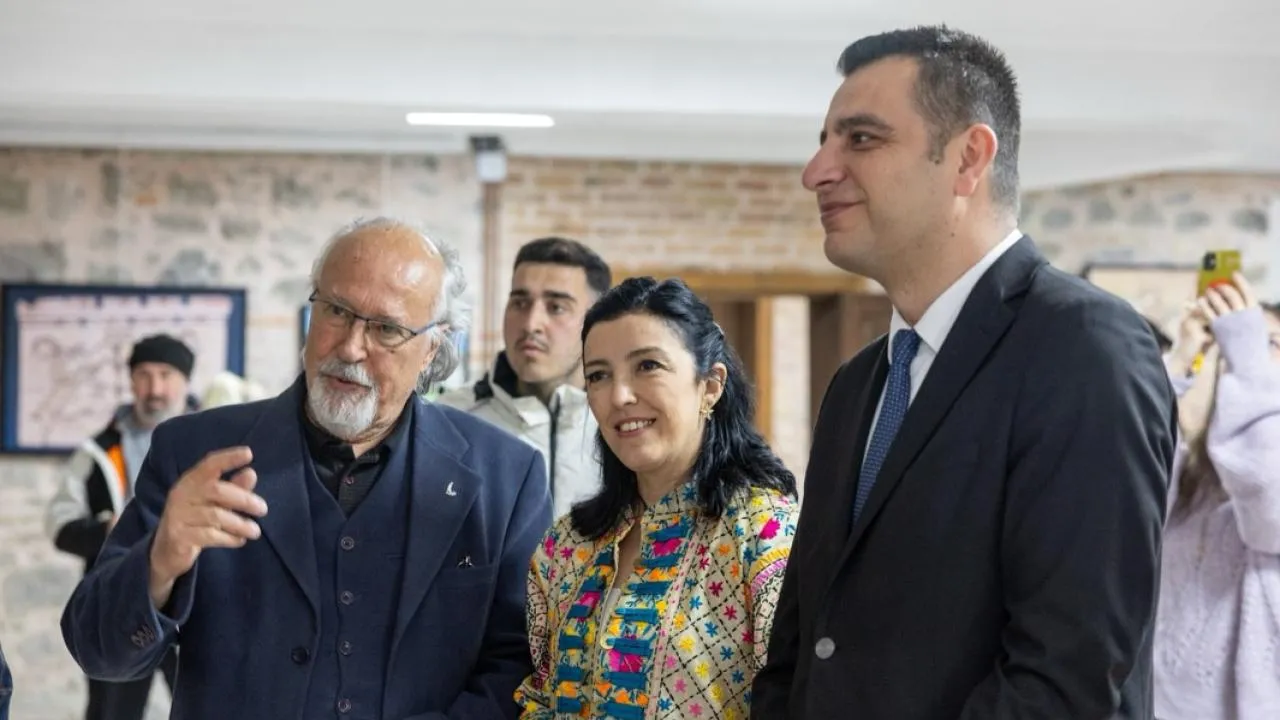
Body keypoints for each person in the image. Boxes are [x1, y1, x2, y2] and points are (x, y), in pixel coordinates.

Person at [752, 25, 1176, 719]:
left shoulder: (1084, 349)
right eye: (824, 141)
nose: (817, 171)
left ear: (968, 159)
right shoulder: (859, 384)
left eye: (861, 139)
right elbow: (803, 649)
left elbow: (1067, 676)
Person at [61, 216, 551, 720]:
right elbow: (98, 652)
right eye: (336, 311)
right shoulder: (194, 452)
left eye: (386, 328)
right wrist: (158, 562)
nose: (351, 347)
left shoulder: (507, 479)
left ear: (432, 348)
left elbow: (521, 671)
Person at [515, 277, 800, 719]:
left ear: (710, 385)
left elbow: (800, 698)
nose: (619, 396)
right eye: (598, 375)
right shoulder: (567, 544)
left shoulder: (765, 534)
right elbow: (540, 695)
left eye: (647, 365)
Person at [45, 332, 195, 720]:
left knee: (207, 706)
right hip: (119, 601)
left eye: (165, 375)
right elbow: (60, 524)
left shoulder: (217, 441)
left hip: (196, 606)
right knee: (111, 713)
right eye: (144, 375)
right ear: (131, 381)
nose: (155, 388)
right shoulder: (96, 450)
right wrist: (108, 530)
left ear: (186, 381)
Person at [1155, 273, 1280, 719]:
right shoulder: (1199, 468)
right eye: (1239, 342)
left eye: (1271, 344)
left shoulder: (1264, 467)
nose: (1249, 354)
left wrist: (1247, 348)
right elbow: (1126, 497)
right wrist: (1180, 363)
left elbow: (1268, 504)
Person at [437, 237, 611, 520]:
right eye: (520, 302)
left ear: (596, 323)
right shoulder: (449, 421)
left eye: (556, 307)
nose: (531, 324)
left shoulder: (622, 425)